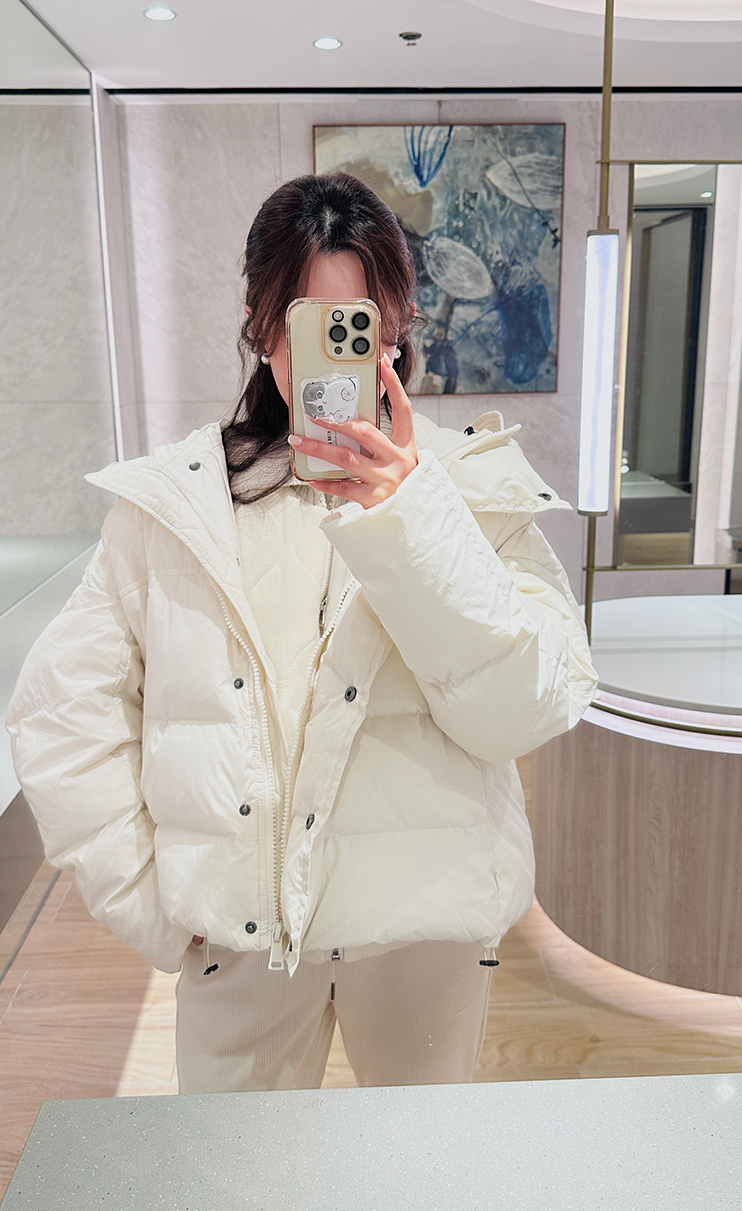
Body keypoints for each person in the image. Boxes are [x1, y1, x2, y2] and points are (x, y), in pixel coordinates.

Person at [5, 172, 598, 1093]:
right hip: (237, 944)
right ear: (260, 322)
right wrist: (157, 897)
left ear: (397, 325)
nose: (337, 353)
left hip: (420, 929)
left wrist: (413, 519)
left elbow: (527, 707)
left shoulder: (474, 489)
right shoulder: (177, 507)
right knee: (234, 1165)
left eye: (361, 322)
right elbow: (60, 713)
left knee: (415, 1163)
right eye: (309, 322)